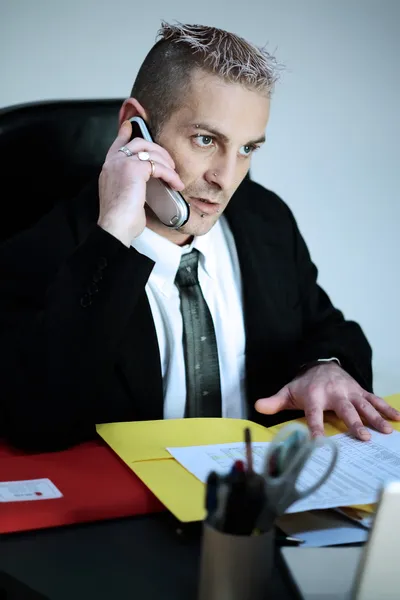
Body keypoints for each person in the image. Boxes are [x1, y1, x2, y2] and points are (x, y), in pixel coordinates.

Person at [0, 21, 398, 452]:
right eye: (206, 140)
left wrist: (325, 365)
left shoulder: (267, 221)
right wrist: (114, 236)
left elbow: (326, 325)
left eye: (247, 148)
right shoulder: (41, 249)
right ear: (136, 127)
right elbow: (34, 419)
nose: (225, 178)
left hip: (252, 498)